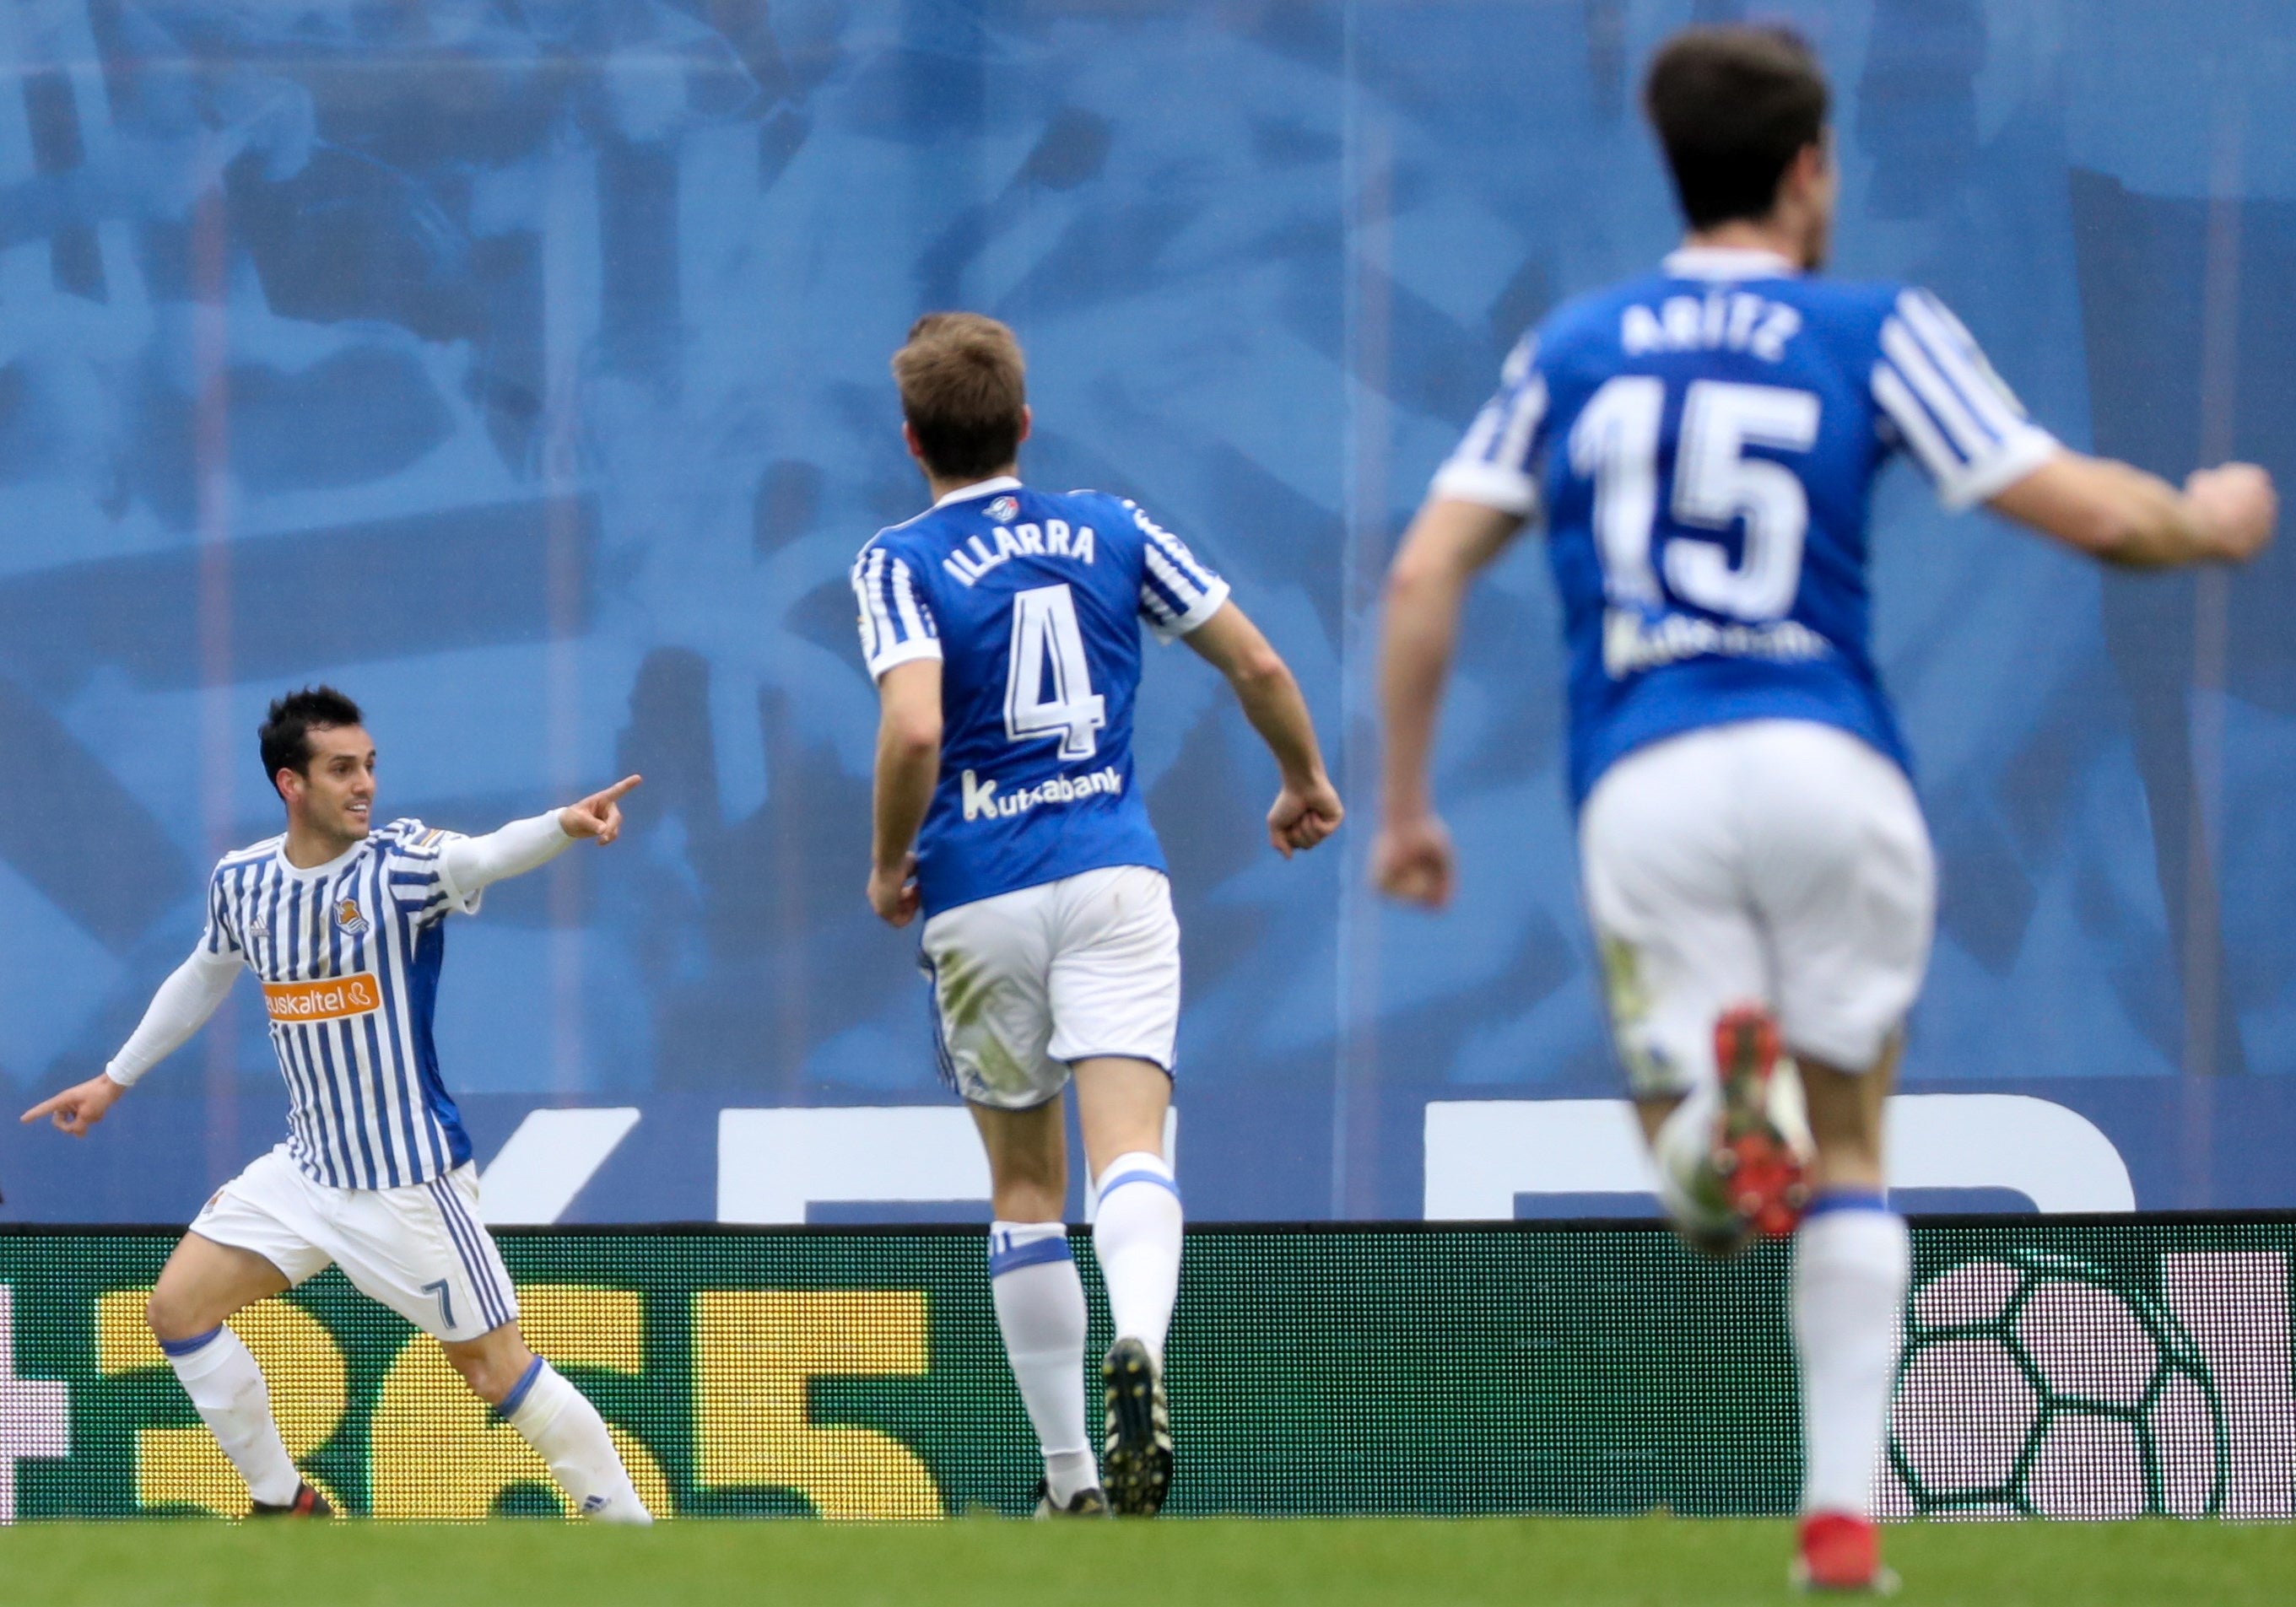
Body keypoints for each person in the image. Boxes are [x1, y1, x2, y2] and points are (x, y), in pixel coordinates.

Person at [1371, 24, 2273, 1592]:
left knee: (1708, 1201)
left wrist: (1402, 805)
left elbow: (1423, 569)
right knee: (1855, 1149)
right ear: (1806, 169)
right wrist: (2198, 522)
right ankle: (1841, 1530)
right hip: (1830, 767)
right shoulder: (1875, 327)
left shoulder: (1576, 348)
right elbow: (2073, 504)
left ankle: (1720, 1140)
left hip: (1646, 780)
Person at [854, 312, 1342, 1517]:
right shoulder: (1115, 528)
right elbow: (1261, 666)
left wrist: (883, 862)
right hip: (1115, 873)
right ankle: (1145, 1343)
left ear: (912, 438)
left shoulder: (896, 560)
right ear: (1024, 421)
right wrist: (1304, 779)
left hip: (980, 892)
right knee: (1133, 1147)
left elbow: (915, 725)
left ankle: (1071, 1479)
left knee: (1026, 1187)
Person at [22, 687, 654, 1523]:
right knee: (178, 1309)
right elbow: (204, 973)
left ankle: (634, 1537)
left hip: (408, 1181)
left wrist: (563, 826)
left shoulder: (402, 865)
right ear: (292, 784)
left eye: (369, 767)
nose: (365, 785)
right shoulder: (243, 881)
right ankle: (286, 1507)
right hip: (308, 1169)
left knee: (496, 1370)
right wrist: (115, 1077)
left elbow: (486, 856)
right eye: (342, 769)